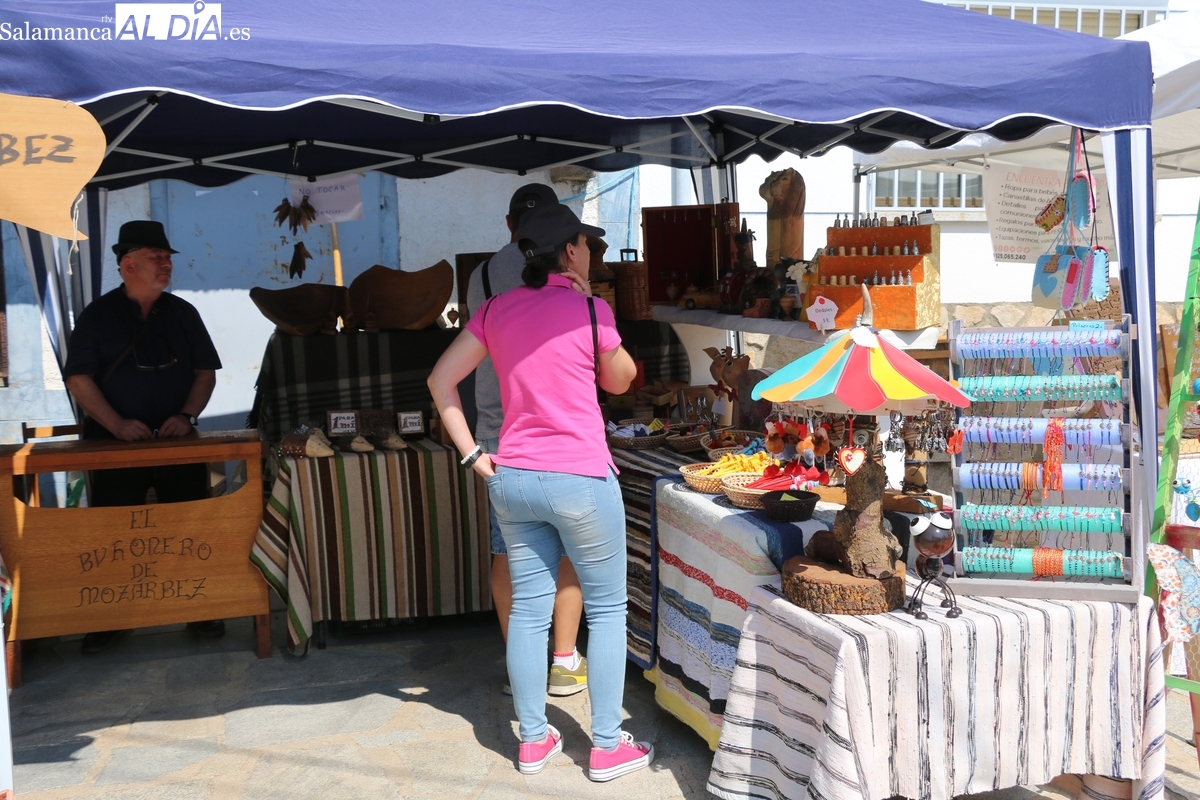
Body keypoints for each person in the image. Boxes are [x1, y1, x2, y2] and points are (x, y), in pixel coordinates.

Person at [428, 203, 652, 782]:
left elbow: (439, 380)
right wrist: (592, 308)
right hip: (581, 477)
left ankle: (532, 740)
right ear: (571, 251)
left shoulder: (495, 308)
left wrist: (473, 454)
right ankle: (606, 746)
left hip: (513, 477)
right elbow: (621, 380)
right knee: (607, 610)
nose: (592, 253)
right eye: (588, 244)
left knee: (528, 612)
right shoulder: (591, 310)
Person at [63, 220, 224, 654]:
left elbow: (205, 373)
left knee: (188, 527)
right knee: (113, 534)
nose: (167, 264)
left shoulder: (183, 313)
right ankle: (110, 619)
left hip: (177, 444)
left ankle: (200, 608)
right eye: (157, 257)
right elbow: (78, 379)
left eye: (168, 257)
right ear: (129, 264)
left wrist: (187, 416)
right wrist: (116, 424)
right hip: (112, 446)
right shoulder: (97, 316)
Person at [466, 183, 587, 697]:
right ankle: (564, 660)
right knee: (566, 547)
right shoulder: (565, 274)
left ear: (510, 225)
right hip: (558, 428)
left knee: (507, 551)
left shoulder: (482, 275)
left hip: (498, 427)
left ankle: (524, 665)